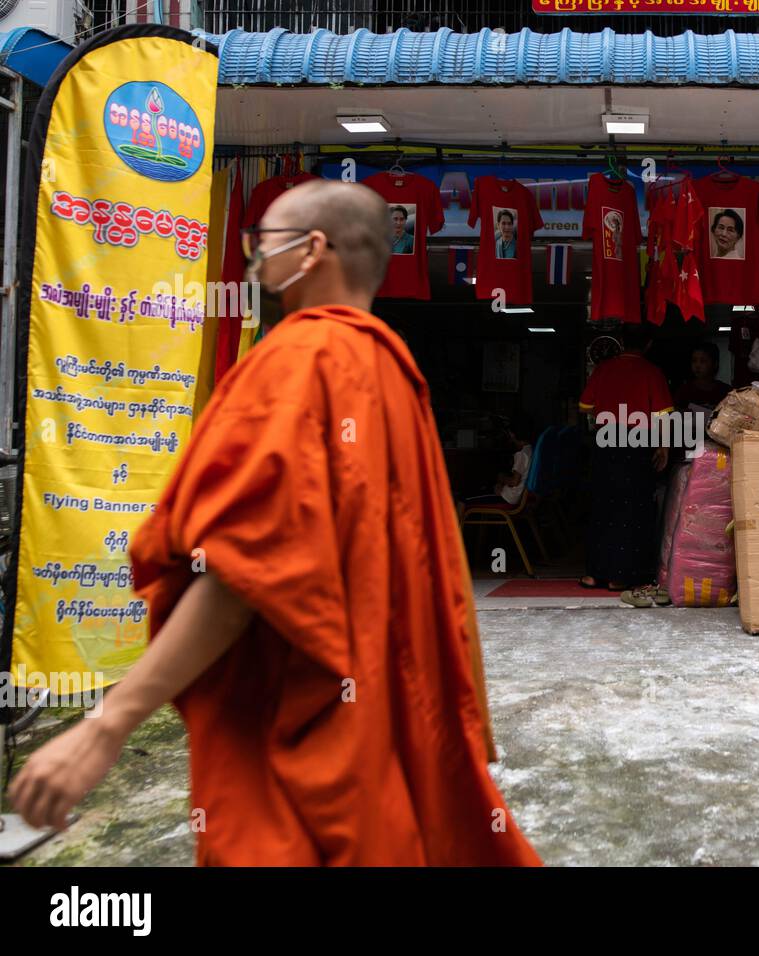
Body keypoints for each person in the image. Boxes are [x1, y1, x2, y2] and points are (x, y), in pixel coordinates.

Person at [9, 180, 540, 866]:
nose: (253, 258)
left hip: (299, 727)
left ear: (312, 250)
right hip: (373, 710)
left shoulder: (301, 359)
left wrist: (109, 723)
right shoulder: (390, 370)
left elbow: (243, 570)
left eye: (263, 242)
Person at [578, 323, 672, 591]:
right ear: (649, 344)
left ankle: (594, 574)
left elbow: (585, 406)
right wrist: (663, 446)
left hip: (605, 440)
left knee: (602, 505)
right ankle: (621, 576)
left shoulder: (603, 369)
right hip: (637, 443)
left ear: (620, 340)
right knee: (634, 508)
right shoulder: (652, 373)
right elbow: (663, 414)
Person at [459, 417, 532, 512]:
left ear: (512, 434)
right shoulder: (531, 450)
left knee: (463, 499)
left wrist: (501, 478)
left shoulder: (521, 454)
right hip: (515, 496)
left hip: (508, 498)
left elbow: (514, 481)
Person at [673, 341, 730, 411]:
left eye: (703, 361)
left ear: (715, 364)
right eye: (694, 361)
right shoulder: (684, 391)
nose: (697, 366)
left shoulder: (725, 391)